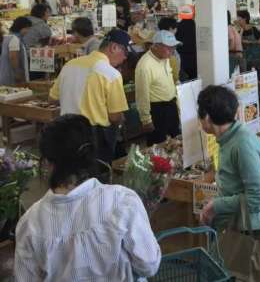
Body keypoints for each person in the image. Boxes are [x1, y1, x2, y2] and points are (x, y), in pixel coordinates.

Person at [14, 114, 161, 281]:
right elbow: (149, 265)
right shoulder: (121, 201)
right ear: (90, 154)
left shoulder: (30, 223)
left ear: (47, 163)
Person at [197, 85, 260, 279]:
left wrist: (216, 205)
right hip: (234, 227)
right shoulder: (228, 139)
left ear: (206, 118)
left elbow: (258, 198)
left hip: (250, 231)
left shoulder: (242, 144)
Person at [50, 29, 131, 164]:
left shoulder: (70, 65)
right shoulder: (111, 74)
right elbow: (115, 116)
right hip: (95, 136)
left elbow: (52, 98)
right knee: (96, 177)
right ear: (114, 47)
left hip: (67, 130)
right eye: (125, 53)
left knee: (72, 174)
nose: (125, 58)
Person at [135, 30, 181, 146]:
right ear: (156, 46)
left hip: (171, 106)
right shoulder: (144, 66)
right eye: (169, 48)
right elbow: (142, 95)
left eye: (173, 48)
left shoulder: (165, 58)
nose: (172, 51)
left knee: (176, 142)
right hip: (157, 110)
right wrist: (146, 120)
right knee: (158, 145)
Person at [238, 10, 260, 85]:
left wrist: (249, 42)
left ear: (244, 19)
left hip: (257, 56)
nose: (238, 20)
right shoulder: (240, 30)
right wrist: (241, 31)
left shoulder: (253, 29)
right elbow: (239, 41)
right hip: (247, 57)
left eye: (239, 18)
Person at [0, 17, 32, 86]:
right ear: (22, 28)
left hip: (4, 73)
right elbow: (13, 57)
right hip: (11, 76)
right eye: (27, 28)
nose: (28, 31)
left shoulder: (6, 37)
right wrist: (17, 73)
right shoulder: (14, 39)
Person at [158, 17, 181, 83]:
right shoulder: (168, 44)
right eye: (175, 28)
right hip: (170, 81)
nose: (176, 30)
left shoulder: (157, 41)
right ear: (171, 28)